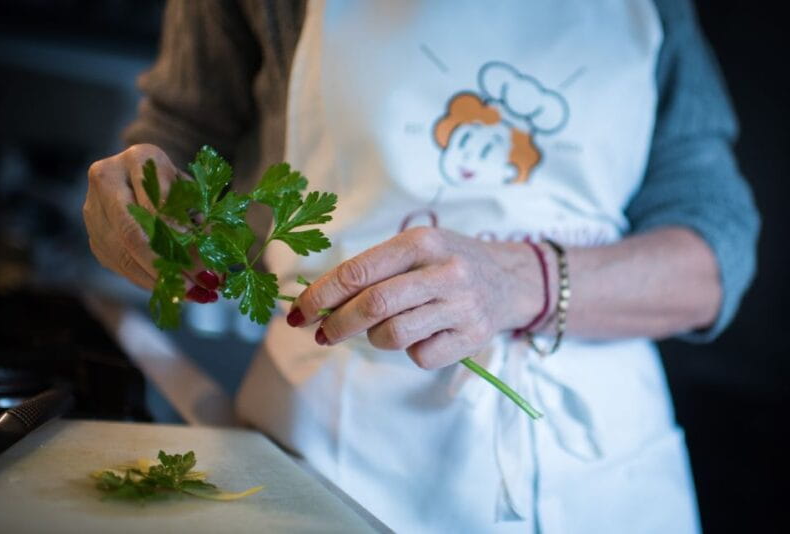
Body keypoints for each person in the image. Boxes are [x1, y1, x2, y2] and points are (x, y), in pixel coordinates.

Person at [82, 1, 759, 532]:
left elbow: (714, 255)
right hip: (330, 454)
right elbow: (179, 138)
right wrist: (145, 208)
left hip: (598, 474)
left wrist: (519, 280)